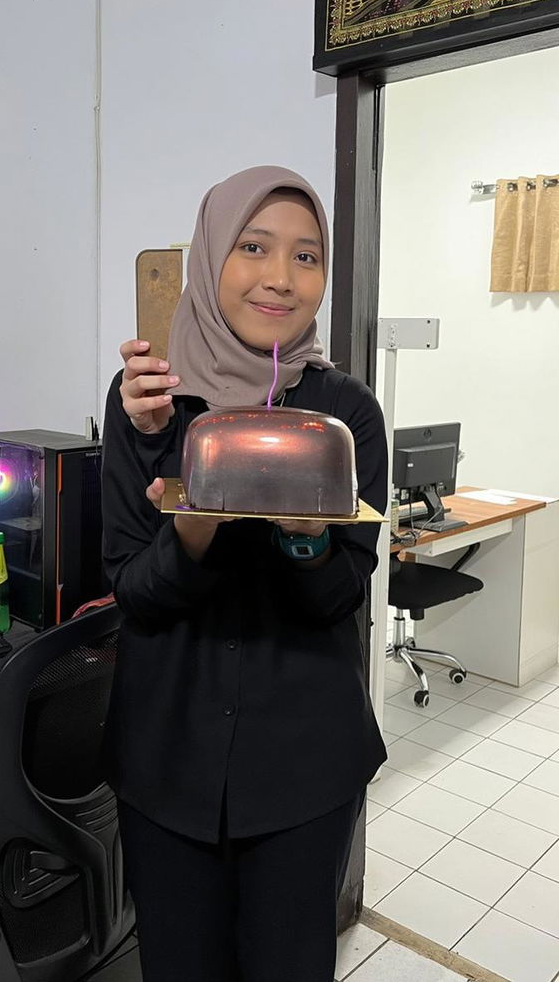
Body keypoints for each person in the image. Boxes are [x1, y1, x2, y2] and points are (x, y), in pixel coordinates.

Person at [101, 165, 387, 982]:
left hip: (304, 771)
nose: (280, 277)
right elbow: (131, 589)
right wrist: (190, 526)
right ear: (210, 257)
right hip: (166, 762)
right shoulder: (150, 404)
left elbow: (340, 595)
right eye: (254, 247)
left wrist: (306, 536)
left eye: (307, 257)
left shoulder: (342, 417)